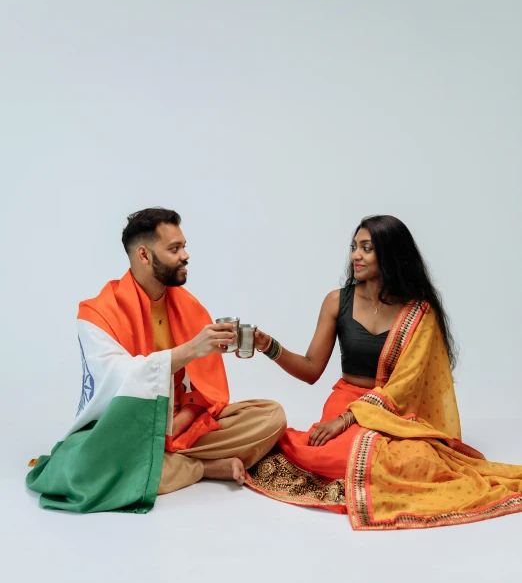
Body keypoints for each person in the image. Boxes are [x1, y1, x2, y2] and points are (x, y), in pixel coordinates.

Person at [248, 215, 522, 530]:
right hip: (345, 399)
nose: (355, 256)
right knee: (333, 455)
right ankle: (277, 443)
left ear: (391, 254)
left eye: (367, 248)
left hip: (393, 410)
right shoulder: (337, 301)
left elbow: (404, 387)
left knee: (417, 460)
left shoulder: (419, 313)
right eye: (354, 247)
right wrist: (268, 346)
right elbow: (311, 369)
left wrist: (349, 419)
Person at [27, 208, 286, 513]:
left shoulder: (189, 307)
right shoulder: (96, 315)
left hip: (182, 431)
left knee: (271, 417)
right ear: (144, 255)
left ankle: (153, 465)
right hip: (126, 430)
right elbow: (117, 381)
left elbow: (203, 390)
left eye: (184, 246)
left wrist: (179, 422)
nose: (185, 255)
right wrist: (191, 350)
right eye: (174, 249)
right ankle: (203, 468)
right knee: (79, 473)